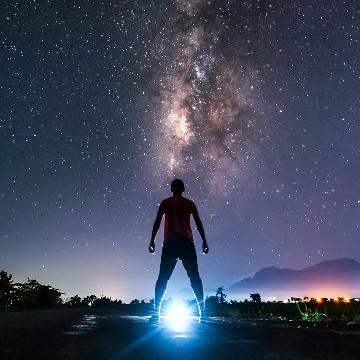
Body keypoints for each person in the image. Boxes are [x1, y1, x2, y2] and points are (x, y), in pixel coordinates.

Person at [149, 178, 209, 321]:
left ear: (172, 189)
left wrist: (152, 240)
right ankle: (203, 313)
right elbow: (198, 223)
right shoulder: (189, 203)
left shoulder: (166, 203)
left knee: (163, 279)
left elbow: (157, 222)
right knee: (194, 278)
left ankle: (156, 313)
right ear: (183, 189)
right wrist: (204, 241)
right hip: (186, 243)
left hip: (171, 243)